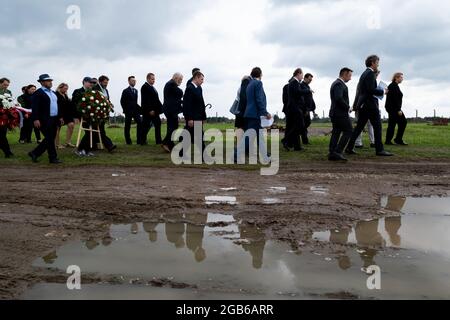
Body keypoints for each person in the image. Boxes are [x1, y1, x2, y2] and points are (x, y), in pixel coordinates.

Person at [346, 55, 393, 157]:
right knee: (377, 127)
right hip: (370, 105)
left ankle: (349, 147)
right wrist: (383, 91)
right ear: (372, 63)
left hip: (363, 105)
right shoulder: (370, 74)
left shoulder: (364, 74)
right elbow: (370, 90)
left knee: (358, 128)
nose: (378, 64)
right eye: (377, 62)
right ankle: (379, 150)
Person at [28, 74, 64, 164]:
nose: (50, 82)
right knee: (49, 138)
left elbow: (57, 106)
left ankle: (35, 153)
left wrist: (60, 117)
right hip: (43, 119)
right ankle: (52, 158)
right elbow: (34, 107)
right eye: (48, 81)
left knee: (50, 138)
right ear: (42, 82)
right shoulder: (38, 93)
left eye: (50, 81)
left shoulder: (53, 93)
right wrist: (35, 119)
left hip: (54, 119)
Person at [238, 67, 272, 162]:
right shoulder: (258, 83)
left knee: (258, 137)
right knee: (249, 138)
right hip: (255, 115)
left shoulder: (249, 84)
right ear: (260, 74)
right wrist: (265, 112)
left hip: (249, 114)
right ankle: (236, 155)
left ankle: (265, 157)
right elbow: (259, 99)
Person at [283, 68, 312, 151]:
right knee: (299, 126)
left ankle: (297, 147)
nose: (302, 77)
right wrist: (308, 90)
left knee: (296, 126)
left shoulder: (295, 82)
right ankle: (286, 140)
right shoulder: (294, 82)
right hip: (294, 108)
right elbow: (298, 92)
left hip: (295, 108)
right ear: (298, 74)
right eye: (302, 75)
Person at [328, 68, 353, 161]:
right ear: (344, 74)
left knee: (336, 132)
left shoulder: (336, 83)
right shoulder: (339, 84)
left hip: (335, 113)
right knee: (349, 130)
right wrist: (348, 107)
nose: (350, 78)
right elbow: (338, 98)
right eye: (349, 76)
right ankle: (337, 152)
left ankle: (332, 153)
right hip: (340, 113)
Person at [183, 71, 207, 154]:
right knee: (199, 137)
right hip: (192, 118)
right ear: (196, 77)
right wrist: (189, 119)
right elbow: (187, 105)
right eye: (201, 79)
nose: (202, 81)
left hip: (199, 117)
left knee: (192, 137)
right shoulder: (189, 88)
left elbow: (202, 103)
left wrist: (204, 117)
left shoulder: (199, 88)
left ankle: (181, 153)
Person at [74, 77, 96, 157]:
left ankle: (86, 150)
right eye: (89, 82)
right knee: (88, 132)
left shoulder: (93, 92)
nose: (91, 84)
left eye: (92, 82)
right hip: (81, 115)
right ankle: (80, 150)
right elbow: (74, 104)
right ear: (84, 82)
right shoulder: (77, 91)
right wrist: (76, 116)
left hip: (91, 115)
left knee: (91, 132)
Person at [93, 75, 116, 152]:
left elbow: (107, 100)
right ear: (100, 81)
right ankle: (109, 145)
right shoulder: (96, 88)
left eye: (107, 83)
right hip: (96, 112)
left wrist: (110, 104)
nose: (106, 84)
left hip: (103, 112)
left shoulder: (106, 90)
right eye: (105, 82)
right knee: (100, 130)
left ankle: (95, 145)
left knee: (100, 129)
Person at [161, 73, 184, 153]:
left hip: (171, 109)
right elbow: (180, 93)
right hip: (170, 109)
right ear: (175, 78)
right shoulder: (171, 84)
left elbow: (175, 97)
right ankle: (164, 142)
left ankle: (169, 144)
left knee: (172, 127)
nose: (181, 81)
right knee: (173, 127)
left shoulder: (171, 84)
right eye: (180, 79)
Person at [141, 73, 163, 145]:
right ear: (148, 79)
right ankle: (142, 141)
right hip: (148, 111)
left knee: (158, 124)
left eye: (154, 79)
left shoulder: (153, 87)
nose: (154, 80)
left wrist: (161, 108)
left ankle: (158, 140)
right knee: (146, 126)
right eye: (152, 79)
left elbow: (156, 99)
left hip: (155, 111)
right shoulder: (144, 87)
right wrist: (150, 110)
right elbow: (146, 100)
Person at [385, 72, 407, 145]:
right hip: (393, 108)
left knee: (392, 124)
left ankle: (389, 140)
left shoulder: (394, 85)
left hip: (392, 108)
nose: (402, 79)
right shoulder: (393, 86)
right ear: (396, 78)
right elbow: (395, 99)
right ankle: (397, 139)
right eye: (401, 77)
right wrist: (398, 110)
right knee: (403, 122)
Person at [121, 76, 143, 145]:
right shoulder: (125, 91)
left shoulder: (136, 91)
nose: (134, 82)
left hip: (135, 111)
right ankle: (128, 141)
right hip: (128, 111)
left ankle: (139, 141)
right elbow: (122, 101)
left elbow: (135, 102)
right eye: (132, 80)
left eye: (135, 80)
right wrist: (125, 110)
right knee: (127, 126)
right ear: (129, 81)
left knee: (140, 123)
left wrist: (140, 109)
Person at [55, 83, 77, 148]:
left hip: (67, 114)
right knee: (57, 129)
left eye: (67, 89)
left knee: (71, 125)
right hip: (59, 114)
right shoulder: (56, 94)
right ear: (60, 88)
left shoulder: (65, 95)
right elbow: (57, 106)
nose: (66, 90)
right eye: (65, 88)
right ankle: (57, 144)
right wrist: (60, 117)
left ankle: (68, 142)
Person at [300, 73, 316, 145]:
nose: (310, 81)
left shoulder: (307, 86)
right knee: (305, 124)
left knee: (306, 124)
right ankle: (304, 140)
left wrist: (313, 109)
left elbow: (310, 99)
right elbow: (304, 99)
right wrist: (306, 109)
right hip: (304, 109)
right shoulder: (301, 86)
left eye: (311, 80)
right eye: (309, 79)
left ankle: (305, 140)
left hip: (308, 109)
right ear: (305, 78)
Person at [234, 75, 252, 142]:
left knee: (239, 128)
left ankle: (240, 144)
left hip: (239, 110)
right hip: (244, 110)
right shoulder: (248, 88)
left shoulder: (239, 88)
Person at [0, 78, 14, 158]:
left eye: (7, 85)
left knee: (2, 133)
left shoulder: (9, 92)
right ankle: (7, 152)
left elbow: (10, 102)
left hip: (4, 116)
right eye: (5, 84)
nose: (6, 86)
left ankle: (7, 151)